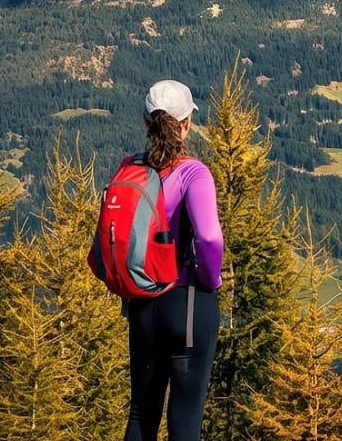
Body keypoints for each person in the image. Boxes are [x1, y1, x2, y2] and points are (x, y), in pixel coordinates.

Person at [124, 79, 224, 441]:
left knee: (141, 412)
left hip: (141, 304)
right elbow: (209, 237)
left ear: (146, 122)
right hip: (188, 304)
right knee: (184, 419)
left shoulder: (130, 168)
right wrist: (210, 279)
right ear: (186, 124)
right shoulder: (193, 173)